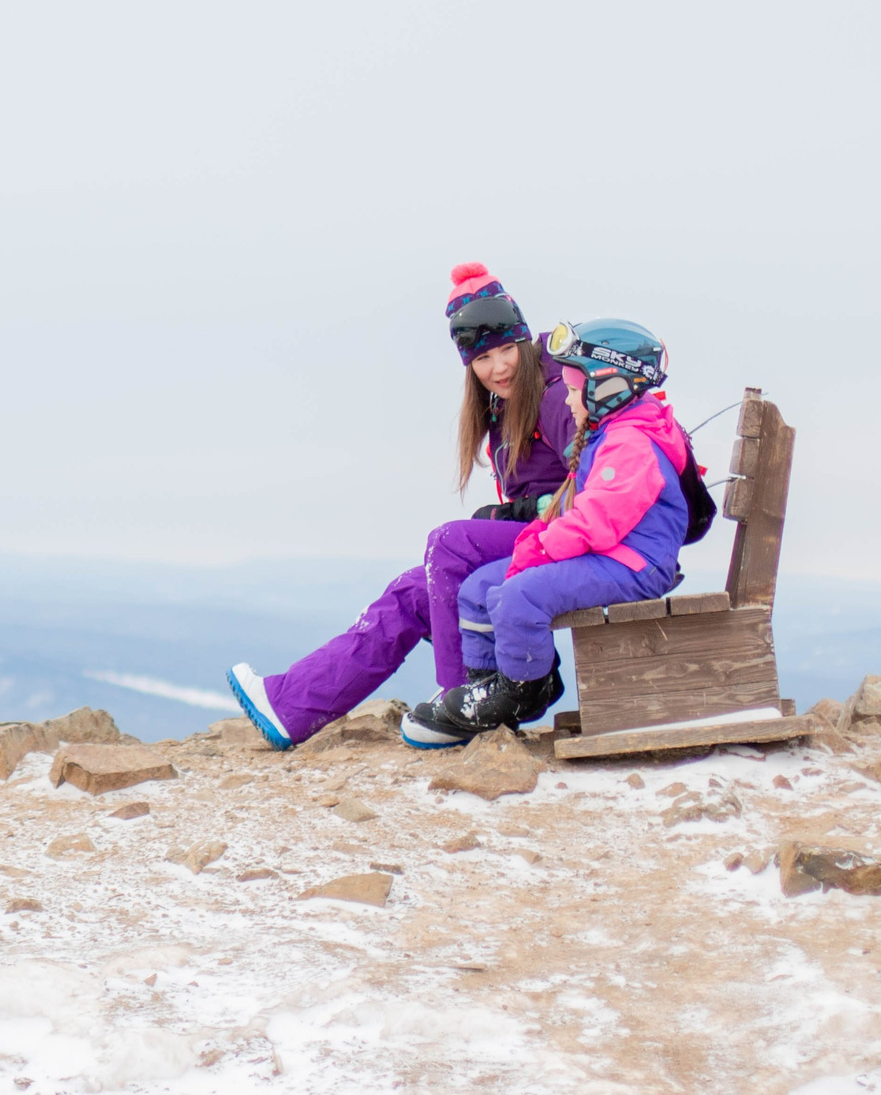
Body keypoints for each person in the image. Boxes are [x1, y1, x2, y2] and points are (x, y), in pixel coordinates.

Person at [226, 263, 575, 750]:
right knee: (414, 590)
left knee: (449, 544)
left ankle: (460, 703)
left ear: (523, 342)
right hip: (541, 545)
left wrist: (511, 515)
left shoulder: (557, 396)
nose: (499, 367)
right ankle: (290, 706)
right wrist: (514, 514)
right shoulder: (502, 408)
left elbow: (589, 489)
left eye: (506, 349)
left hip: (576, 545)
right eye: (482, 359)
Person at [402, 318, 692, 748]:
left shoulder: (629, 442)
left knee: (520, 594)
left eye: (575, 390)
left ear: (607, 388)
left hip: (634, 563)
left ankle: (523, 689)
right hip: (613, 555)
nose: (568, 400)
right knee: (479, 587)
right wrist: (534, 541)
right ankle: (487, 687)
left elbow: (596, 520)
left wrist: (538, 546)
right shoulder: (609, 436)